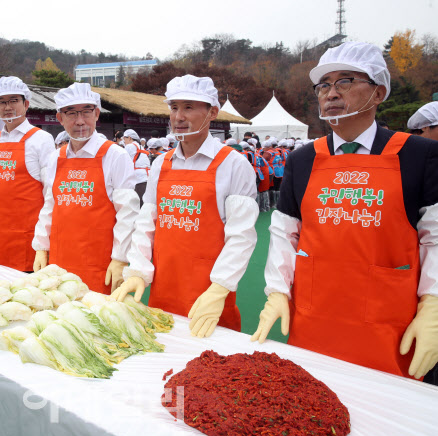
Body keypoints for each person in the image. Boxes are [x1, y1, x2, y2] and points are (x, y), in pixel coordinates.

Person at [252, 42, 438, 382]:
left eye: (345, 81)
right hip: (314, 315)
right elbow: (283, 232)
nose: (331, 93)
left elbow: (435, 239)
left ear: (379, 92)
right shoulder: (303, 160)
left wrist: (433, 304)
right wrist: (278, 290)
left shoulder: (419, 155)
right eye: (324, 85)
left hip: (387, 321)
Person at [111, 75, 258, 338]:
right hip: (163, 288)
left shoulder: (234, 164)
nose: (178, 116)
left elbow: (241, 236)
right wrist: (137, 271)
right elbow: (147, 223)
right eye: (174, 107)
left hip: (208, 296)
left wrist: (219, 288)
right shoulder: (161, 163)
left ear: (212, 112)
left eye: (189, 107)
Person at [32, 83, 139, 293]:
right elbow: (49, 207)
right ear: (60, 118)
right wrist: (41, 247)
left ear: (97, 114)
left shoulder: (114, 155)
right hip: (59, 261)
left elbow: (128, 214)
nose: (80, 121)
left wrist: (119, 259)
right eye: (71, 113)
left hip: (99, 264)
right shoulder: (55, 158)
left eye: (86, 112)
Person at [0, 76, 55, 270]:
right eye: (1, 102)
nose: (7, 107)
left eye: (13, 100)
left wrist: (44, 241)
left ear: (26, 104)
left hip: (28, 237)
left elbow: (50, 193)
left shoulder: (42, 139)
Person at [123, 128, 150, 202]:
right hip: (146, 177)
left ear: (129, 137)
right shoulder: (141, 146)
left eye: (124, 138)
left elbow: (124, 162)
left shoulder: (130, 146)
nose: (123, 141)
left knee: (137, 202)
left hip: (138, 178)